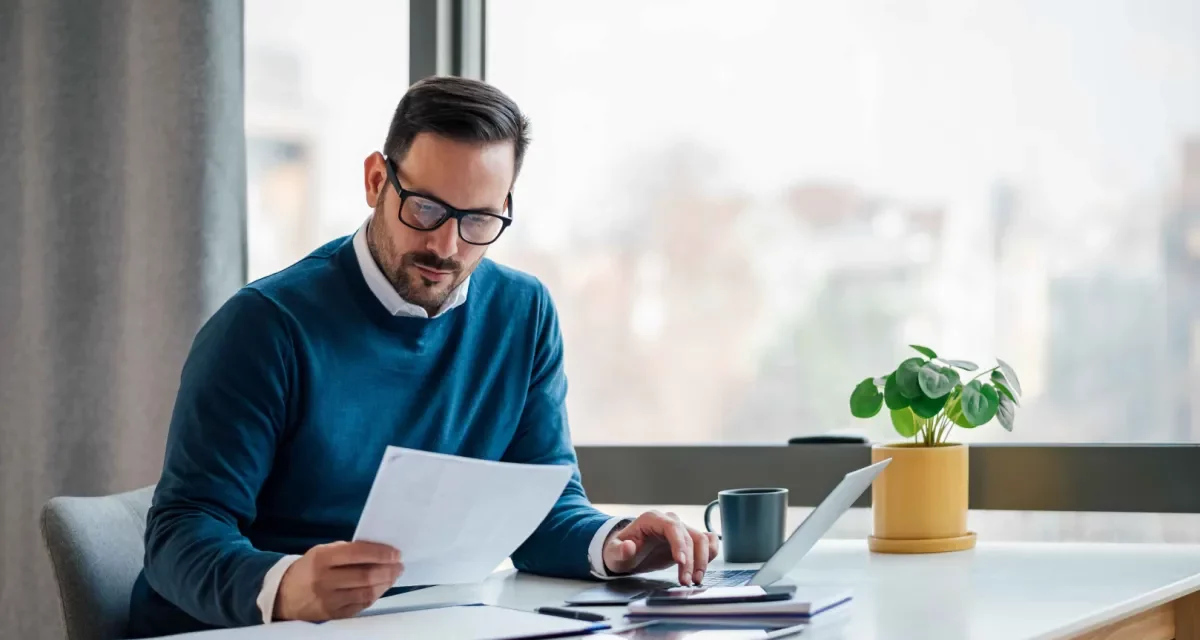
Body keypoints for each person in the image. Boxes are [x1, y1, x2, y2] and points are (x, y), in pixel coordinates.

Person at [127, 76, 718, 637]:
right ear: (375, 180)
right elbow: (180, 535)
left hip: (416, 624)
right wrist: (284, 585)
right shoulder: (263, 328)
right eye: (427, 209)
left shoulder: (523, 313)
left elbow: (543, 509)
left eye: (479, 219)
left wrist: (615, 542)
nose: (446, 245)